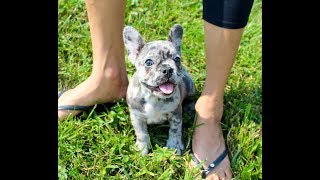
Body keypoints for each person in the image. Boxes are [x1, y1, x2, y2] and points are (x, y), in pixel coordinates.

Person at [58, 0, 254, 179]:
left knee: (185, 93)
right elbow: (136, 116)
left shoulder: (176, 89)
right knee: (138, 117)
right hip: (140, 100)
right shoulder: (134, 96)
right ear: (134, 55)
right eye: (150, 62)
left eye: (175, 60)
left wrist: (174, 139)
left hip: (174, 103)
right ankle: (107, 77)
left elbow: (176, 107)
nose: (167, 69)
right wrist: (142, 141)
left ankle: (209, 107)